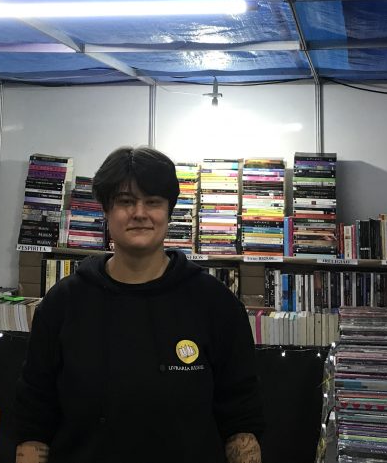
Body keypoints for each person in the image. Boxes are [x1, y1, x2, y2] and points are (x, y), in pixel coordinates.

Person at [15, 146, 264, 463]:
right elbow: (34, 419)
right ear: (106, 210)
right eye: (125, 201)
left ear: (169, 211)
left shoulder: (215, 303)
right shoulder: (63, 303)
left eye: (153, 202)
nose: (140, 213)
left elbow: (241, 421)